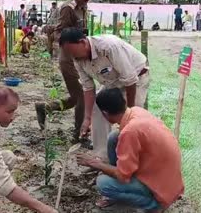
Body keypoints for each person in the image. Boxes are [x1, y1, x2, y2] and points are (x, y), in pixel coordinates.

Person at [76, 88, 184, 212]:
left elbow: (123, 176)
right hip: (166, 177)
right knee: (114, 137)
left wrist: (94, 163)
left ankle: (152, 205)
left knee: (103, 184)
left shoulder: (130, 132)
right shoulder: (136, 111)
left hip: (159, 188)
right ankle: (126, 191)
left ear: (105, 113)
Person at [59, 28, 149, 159]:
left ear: (83, 42)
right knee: (97, 108)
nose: (72, 56)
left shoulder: (108, 47)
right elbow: (88, 88)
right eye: (69, 54)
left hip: (136, 79)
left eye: (72, 51)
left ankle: (131, 159)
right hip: (112, 82)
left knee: (133, 121)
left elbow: (130, 80)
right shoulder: (78, 59)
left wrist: (129, 112)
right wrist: (87, 118)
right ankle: (101, 158)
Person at [34, 0, 95, 142]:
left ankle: (45, 108)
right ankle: (79, 135)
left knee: (78, 96)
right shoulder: (68, 8)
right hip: (68, 57)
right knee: (82, 95)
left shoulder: (83, 6)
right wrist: (73, 39)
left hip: (80, 56)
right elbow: (59, 33)